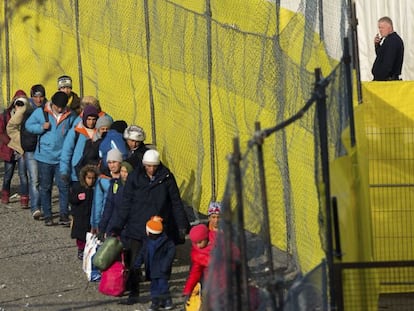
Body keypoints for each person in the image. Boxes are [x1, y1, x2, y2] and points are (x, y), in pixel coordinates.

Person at [111, 149, 189, 305]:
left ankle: (161, 295)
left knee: (159, 265)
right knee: (134, 263)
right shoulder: (135, 178)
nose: (151, 169)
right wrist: (117, 225)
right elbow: (126, 203)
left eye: (154, 166)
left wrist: (182, 225)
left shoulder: (166, 177)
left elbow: (175, 202)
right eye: (148, 166)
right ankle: (134, 293)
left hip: (159, 228)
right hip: (137, 226)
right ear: (144, 165)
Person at [25, 91, 76, 226]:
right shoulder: (41, 112)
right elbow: (28, 125)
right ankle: (48, 215)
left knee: (63, 186)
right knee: (45, 187)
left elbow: (75, 129)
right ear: (52, 104)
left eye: (62, 107)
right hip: (44, 157)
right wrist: (41, 127)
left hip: (62, 157)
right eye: (57, 106)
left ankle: (64, 214)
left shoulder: (70, 115)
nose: (59, 109)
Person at [134, 216, 175, 311]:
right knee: (154, 287)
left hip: (161, 269)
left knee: (163, 286)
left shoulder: (166, 242)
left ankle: (167, 301)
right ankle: (155, 302)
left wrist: (166, 265)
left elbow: (170, 255)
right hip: (152, 269)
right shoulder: (148, 242)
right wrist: (137, 263)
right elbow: (142, 253)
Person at [21, 85, 47, 218]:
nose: (38, 99)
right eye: (36, 96)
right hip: (31, 150)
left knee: (44, 180)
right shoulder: (27, 111)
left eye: (41, 96)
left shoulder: (48, 110)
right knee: (34, 179)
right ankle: (35, 207)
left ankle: (44, 205)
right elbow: (22, 131)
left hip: (45, 150)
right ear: (32, 97)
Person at [2, 91, 30, 208]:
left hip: (22, 150)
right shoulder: (6, 115)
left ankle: (24, 197)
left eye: (22, 103)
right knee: (8, 174)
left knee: (23, 175)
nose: (18, 106)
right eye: (17, 103)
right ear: (13, 103)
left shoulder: (27, 115)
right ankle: (5, 194)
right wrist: (9, 142)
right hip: (9, 149)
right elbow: (1, 131)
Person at [60, 105, 99, 183]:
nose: (91, 122)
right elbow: (66, 151)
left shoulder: (99, 132)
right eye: (89, 119)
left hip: (95, 173)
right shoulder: (76, 131)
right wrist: (64, 171)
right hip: (77, 173)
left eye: (94, 119)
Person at [98, 160, 134, 243]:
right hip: (113, 225)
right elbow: (109, 207)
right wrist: (102, 227)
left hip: (128, 227)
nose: (124, 174)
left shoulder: (135, 188)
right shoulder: (115, 185)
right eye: (122, 171)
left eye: (126, 172)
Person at [90, 148, 123, 234]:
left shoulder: (126, 178)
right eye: (109, 162)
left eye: (114, 162)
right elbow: (97, 203)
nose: (112, 165)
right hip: (106, 219)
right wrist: (95, 223)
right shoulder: (102, 179)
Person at [69, 164, 98, 260]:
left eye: (93, 178)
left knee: (90, 234)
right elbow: (71, 199)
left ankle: (89, 249)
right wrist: (77, 198)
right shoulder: (79, 188)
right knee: (80, 235)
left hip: (90, 215)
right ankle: (81, 249)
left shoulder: (95, 189)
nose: (91, 180)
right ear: (84, 177)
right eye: (89, 178)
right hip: (80, 216)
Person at [182, 224, 212, 302]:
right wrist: (188, 289)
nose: (198, 246)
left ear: (206, 238)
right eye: (195, 243)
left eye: (199, 242)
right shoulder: (197, 254)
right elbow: (195, 273)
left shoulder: (220, 242)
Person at [372, 16, 404, 81]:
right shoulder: (388, 40)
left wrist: (380, 77)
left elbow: (388, 63)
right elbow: (381, 57)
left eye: (382, 28)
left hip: (387, 82)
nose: (380, 30)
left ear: (389, 28)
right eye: (379, 28)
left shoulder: (393, 41)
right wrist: (377, 45)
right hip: (385, 80)